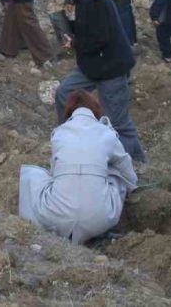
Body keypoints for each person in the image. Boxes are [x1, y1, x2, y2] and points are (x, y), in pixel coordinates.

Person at [48, 0, 146, 162]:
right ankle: (68, 140)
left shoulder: (94, 0)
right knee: (64, 93)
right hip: (91, 64)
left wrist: (74, 43)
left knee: (116, 123)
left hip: (111, 67)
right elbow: (85, 29)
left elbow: (99, 38)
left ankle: (136, 164)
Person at [19, 90, 138, 244]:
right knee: (115, 172)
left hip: (56, 217)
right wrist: (132, 186)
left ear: (69, 112)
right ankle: (96, 231)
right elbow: (124, 165)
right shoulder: (106, 133)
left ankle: (34, 227)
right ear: (95, 110)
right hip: (100, 220)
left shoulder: (59, 133)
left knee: (31, 174)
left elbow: (54, 172)